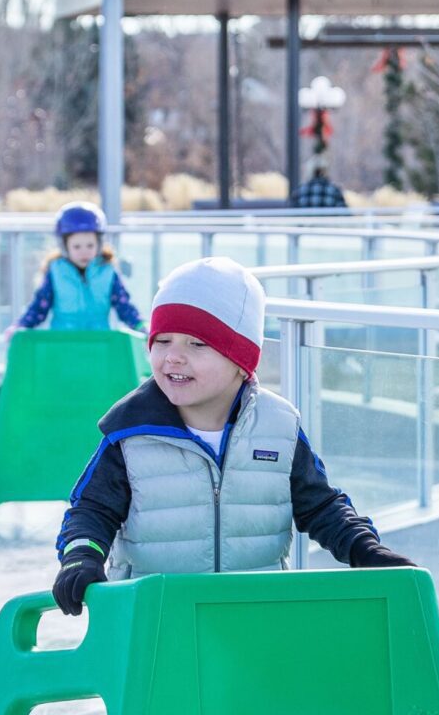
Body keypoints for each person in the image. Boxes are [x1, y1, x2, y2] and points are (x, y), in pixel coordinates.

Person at [51, 257, 413, 615]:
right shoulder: (129, 433)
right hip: (156, 620)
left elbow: (320, 506)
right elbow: (91, 509)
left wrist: (364, 549)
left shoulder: (278, 427)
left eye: (196, 344)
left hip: (253, 618)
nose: (173, 357)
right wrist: (81, 557)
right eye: (163, 341)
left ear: (240, 361)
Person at [8, 202, 142, 337]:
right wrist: (21, 326)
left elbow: (124, 306)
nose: (84, 252)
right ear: (65, 246)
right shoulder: (55, 272)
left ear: (99, 244)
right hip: (63, 345)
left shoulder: (108, 271)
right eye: (77, 247)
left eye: (90, 245)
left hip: (99, 346)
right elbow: (38, 308)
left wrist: (140, 325)